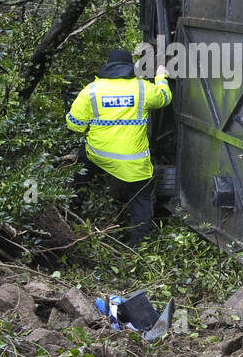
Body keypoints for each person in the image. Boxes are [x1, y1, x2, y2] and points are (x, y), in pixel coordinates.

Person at [67, 48, 171, 246]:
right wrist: (160, 77)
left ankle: (71, 213)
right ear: (129, 66)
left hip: (98, 155)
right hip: (133, 162)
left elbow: (74, 124)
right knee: (141, 200)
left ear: (108, 66)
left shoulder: (91, 90)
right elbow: (164, 98)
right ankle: (139, 248)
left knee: (79, 177)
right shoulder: (142, 88)